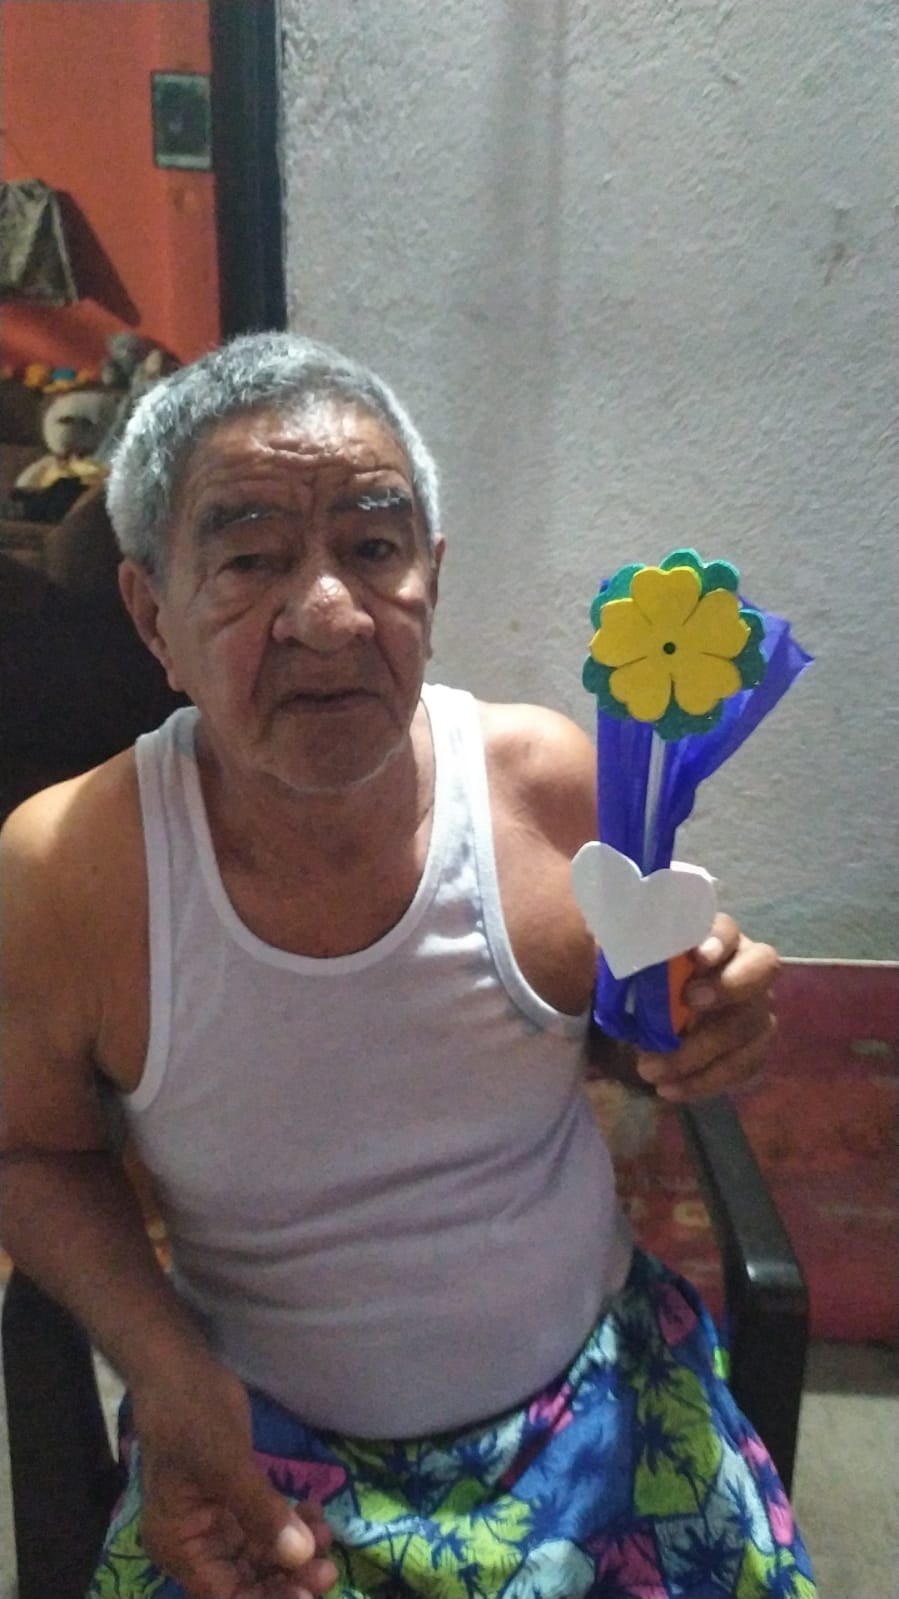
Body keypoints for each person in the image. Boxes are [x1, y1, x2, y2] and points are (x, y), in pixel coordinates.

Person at [0, 333, 817, 1599]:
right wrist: (164, 1372)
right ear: (153, 614)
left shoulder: (546, 791)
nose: (328, 613)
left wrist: (700, 1027)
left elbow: (624, 1044)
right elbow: (30, 1150)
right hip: (253, 1441)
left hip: (601, 1407)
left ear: (431, 579)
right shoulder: (70, 873)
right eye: (250, 559)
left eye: (373, 548)